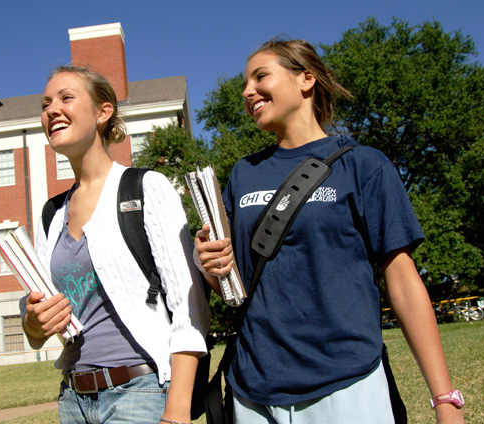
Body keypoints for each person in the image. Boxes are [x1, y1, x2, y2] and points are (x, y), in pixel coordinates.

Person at [194, 38, 465, 423]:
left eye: (260, 76)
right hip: (254, 389)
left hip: (346, 382)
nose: (247, 91)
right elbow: (225, 274)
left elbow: (403, 281)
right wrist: (202, 256)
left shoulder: (363, 165)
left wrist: (445, 399)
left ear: (305, 79)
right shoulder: (243, 174)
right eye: (244, 84)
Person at [21, 65, 210, 424]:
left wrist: (178, 409)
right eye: (45, 104)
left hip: (139, 395)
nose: (51, 110)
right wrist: (33, 322)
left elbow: (190, 304)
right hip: (72, 399)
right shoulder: (52, 213)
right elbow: (35, 324)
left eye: (66, 98)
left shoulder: (145, 188)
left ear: (103, 112)